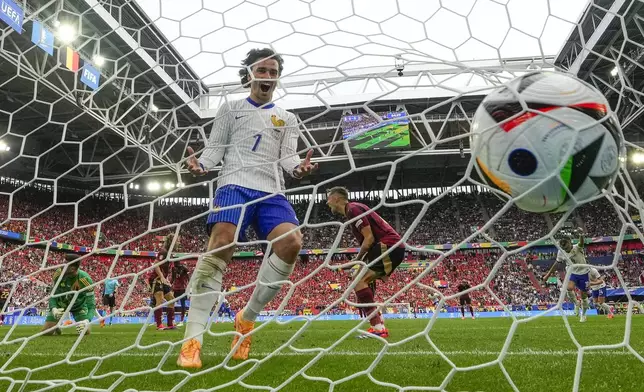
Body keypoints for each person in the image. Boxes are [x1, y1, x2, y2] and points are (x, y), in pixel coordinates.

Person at [177, 48, 317, 368]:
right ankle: (192, 340)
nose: (267, 76)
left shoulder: (287, 118)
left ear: (278, 77)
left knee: (292, 242)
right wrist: (200, 165)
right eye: (262, 70)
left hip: (271, 190)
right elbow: (214, 152)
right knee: (222, 242)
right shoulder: (230, 109)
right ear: (250, 74)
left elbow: (289, 160)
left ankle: (246, 319)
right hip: (233, 184)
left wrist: (300, 169)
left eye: (272, 71)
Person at [326, 186, 405, 338]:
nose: (327, 202)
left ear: (336, 198)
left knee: (359, 280)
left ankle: (378, 328)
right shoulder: (354, 210)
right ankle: (378, 325)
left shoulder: (353, 209)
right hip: (388, 246)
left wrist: (357, 259)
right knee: (360, 279)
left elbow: (369, 239)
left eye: (329, 198)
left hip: (388, 245)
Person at [41, 254, 95, 336]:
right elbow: (52, 294)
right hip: (61, 304)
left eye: (65, 264)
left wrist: (87, 320)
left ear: (72, 268)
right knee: (47, 332)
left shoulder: (85, 280)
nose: (62, 266)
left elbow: (91, 305)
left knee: (85, 332)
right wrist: (54, 308)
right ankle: (57, 326)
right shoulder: (58, 274)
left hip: (78, 306)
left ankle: (81, 323)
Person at [543, 232, 590, 322]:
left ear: (570, 243)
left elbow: (581, 243)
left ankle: (583, 315)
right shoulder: (561, 252)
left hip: (583, 272)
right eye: (564, 249)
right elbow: (557, 263)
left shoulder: (577, 247)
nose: (566, 250)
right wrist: (547, 275)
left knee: (584, 296)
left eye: (567, 248)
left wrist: (581, 235)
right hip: (572, 272)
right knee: (569, 288)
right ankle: (576, 303)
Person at [152, 235, 177, 330]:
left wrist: (166, 279)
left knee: (171, 299)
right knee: (160, 299)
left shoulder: (170, 253)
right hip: (156, 279)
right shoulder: (163, 252)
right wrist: (162, 277)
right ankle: (159, 325)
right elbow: (156, 264)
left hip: (163, 280)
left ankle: (170, 324)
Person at [171, 262, 190, 327]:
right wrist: (170, 285)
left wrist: (189, 286)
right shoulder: (173, 268)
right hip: (175, 288)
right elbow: (173, 278)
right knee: (172, 303)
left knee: (183, 304)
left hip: (182, 288)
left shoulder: (184, 268)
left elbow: (188, 277)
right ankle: (173, 320)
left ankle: (181, 321)